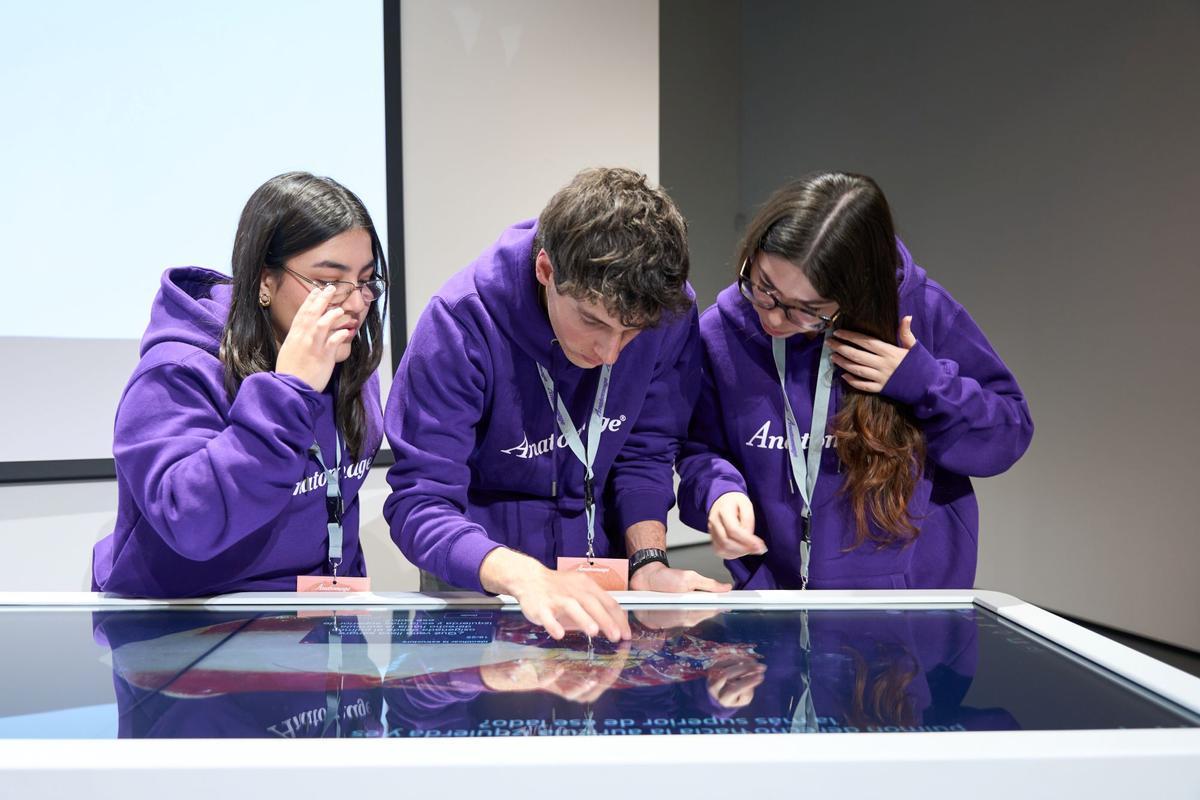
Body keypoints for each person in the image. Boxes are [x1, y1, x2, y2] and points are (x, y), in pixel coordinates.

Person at [384, 167, 730, 642]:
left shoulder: (665, 312)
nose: (610, 354)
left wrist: (648, 563)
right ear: (546, 270)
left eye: (631, 333)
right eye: (592, 321)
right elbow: (420, 503)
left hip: (603, 583)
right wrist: (525, 577)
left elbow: (644, 452)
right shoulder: (458, 325)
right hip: (484, 587)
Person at [677, 172, 1033, 590]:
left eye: (805, 310)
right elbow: (699, 448)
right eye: (763, 287)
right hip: (777, 603)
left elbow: (1008, 432)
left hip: (910, 615)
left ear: (857, 295)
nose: (772, 317)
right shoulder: (720, 333)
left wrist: (922, 382)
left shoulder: (924, 311)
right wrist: (720, 492)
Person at [92, 172, 388, 597]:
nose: (357, 302)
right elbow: (192, 523)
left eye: (365, 281)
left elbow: (337, 505)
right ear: (265, 282)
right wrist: (288, 391)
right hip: (187, 630)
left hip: (310, 626)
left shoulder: (348, 363)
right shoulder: (176, 371)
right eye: (328, 282)